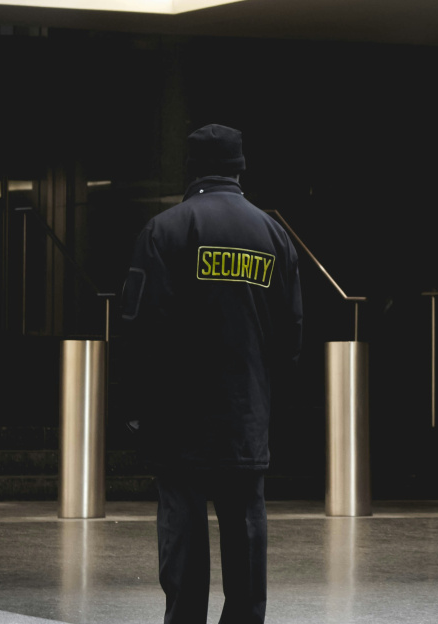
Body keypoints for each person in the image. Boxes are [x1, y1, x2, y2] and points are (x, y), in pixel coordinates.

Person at [119, 124, 302, 624]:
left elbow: (138, 334)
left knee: (184, 544)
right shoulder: (274, 236)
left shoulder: (165, 230)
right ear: (241, 168)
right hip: (246, 420)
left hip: (180, 426)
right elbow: (290, 340)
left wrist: (138, 413)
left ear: (191, 168)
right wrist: (263, 404)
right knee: (246, 536)